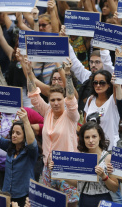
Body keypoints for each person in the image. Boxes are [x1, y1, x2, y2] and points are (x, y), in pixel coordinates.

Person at [27, 59, 80, 207]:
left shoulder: (71, 116)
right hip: (47, 167)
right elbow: (33, 95)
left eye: (58, 100)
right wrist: (29, 71)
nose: (56, 103)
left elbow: (71, 98)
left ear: (63, 100)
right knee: (48, 204)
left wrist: (67, 75)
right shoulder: (48, 112)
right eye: (52, 100)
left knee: (71, 205)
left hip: (67, 168)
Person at [50, 121, 119, 207]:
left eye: (94, 136)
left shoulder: (109, 158)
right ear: (83, 139)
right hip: (84, 199)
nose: (91, 140)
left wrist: (104, 176)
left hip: (103, 200)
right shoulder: (80, 158)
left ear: (100, 137)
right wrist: (59, 172)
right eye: (87, 137)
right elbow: (79, 184)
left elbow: (115, 188)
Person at [0, 107, 38, 207]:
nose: (14, 135)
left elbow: (31, 143)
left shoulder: (30, 152)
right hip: (7, 195)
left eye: (18, 133)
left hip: (24, 196)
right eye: (13, 132)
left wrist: (25, 121)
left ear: (25, 136)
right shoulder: (9, 146)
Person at [84, 70, 120, 150]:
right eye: (95, 83)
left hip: (110, 148)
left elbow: (117, 87)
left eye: (102, 83)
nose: (98, 85)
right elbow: (85, 125)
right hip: (92, 147)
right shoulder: (90, 99)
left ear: (109, 85)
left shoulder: (113, 100)